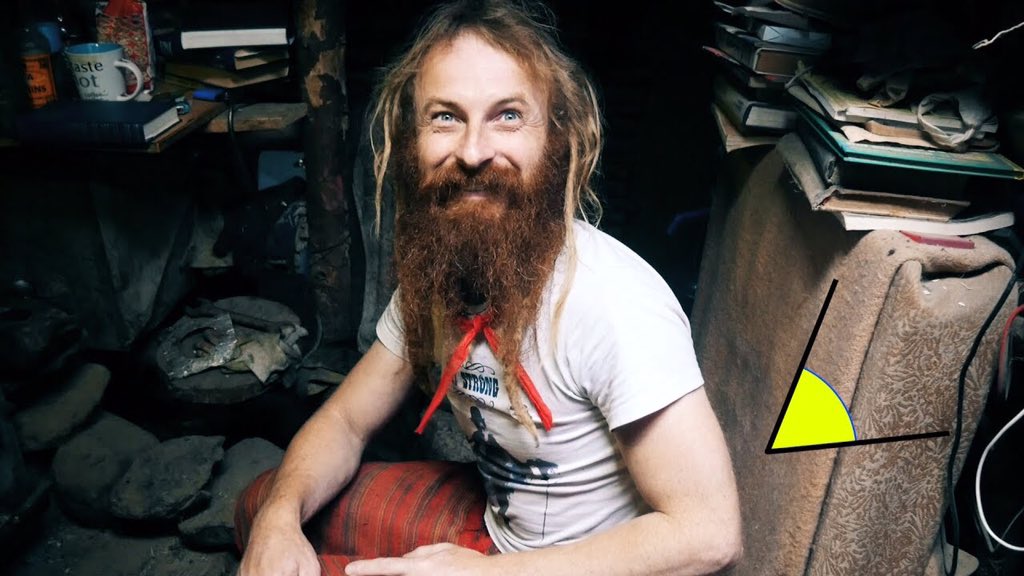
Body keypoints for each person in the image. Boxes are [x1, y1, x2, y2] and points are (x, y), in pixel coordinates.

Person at [235, 1, 742, 575]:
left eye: (507, 116)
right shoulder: (443, 272)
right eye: (445, 117)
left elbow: (709, 534)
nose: (473, 152)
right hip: (496, 532)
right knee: (263, 508)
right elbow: (346, 422)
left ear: (555, 138)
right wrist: (279, 519)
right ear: (412, 141)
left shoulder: (614, 302)